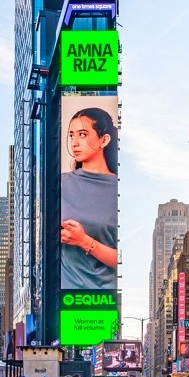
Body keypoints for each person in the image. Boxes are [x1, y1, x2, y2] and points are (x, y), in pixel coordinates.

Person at [60, 107, 119, 290]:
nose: (74, 143)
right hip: (66, 298)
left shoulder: (118, 188)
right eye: (71, 135)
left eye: (83, 134)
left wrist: (83, 241)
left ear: (104, 140)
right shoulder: (59, 184)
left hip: (105, 298)